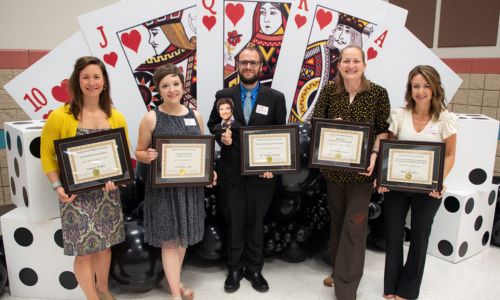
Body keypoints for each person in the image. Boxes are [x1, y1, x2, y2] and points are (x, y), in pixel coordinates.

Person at [41, 56, 128, 300]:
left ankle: (103, 289)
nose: (92, 82)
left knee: (105, 246)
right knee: (85, 253)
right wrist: (58, 186)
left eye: (96, 77)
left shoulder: (116, 116)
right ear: (77, 81)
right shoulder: (60, 116)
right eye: (86, 77)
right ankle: (92, 297)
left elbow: (122, 155)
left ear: (104, 82)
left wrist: (117, 179)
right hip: (74, 196)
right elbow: (47, 156)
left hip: (107, 194)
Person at [312, 45, 391, 300]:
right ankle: (337, 271)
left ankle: (347, 288)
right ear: (339, 65)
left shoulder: (378, 93)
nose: (351, 65)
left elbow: (383, 129)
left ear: (364, 65)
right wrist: (327, 126)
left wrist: (375, 155)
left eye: (356, 61)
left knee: (354, 225)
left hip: (361, 173)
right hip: (333, 171)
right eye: (346, 61)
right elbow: (315, 125)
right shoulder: (328, 92)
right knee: (337, 221)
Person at [207, 46, 286, 293]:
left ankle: (254, 269)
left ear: (261, 67)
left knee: (255, 222)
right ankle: (234, 269)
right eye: (244, 63)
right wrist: (222, 136)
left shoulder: (275, 97)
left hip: (262, 175)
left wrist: (272, 166)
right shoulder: (224, 94)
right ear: (237, 66)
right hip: (231, 172)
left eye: (253, 62)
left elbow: (279, 135)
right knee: (235, 221)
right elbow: (212, 124)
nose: (248, 67)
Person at [379, 65, 457, 300]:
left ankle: (408, 290)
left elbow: (451, 155)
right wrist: (383, 179)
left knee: (420, 238)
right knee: (393, 235)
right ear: (410, 89)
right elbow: (389, 150)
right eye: (416, 86)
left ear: (434, 88)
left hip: (428, 190)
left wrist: (438, 182)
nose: (420, 91)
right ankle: (391, 287)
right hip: (397, 188)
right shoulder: (399, 115)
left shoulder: (445, 119)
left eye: (425, 86)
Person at [135, 63, 210, 300]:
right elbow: (138, 151)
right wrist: (146, 156)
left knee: (183, 238)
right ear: (158, 89)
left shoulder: (195, 115)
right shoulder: (151, 117)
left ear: (182, 85)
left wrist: (210, 171)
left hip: (189, 188)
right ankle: (176, 295)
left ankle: (173, 283)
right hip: (163, 190)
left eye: (175, 84)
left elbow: (203, 151)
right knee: (169, 240)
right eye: (165, 85)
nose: (171, 89)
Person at [290, 13, 371, 123]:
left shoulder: (374, 93)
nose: (341, 35)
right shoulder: (316, 53)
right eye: (339, 29)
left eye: (347, 31)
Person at [134, 10, 197, 110]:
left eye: (154, 34)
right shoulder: (144, 69)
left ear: (171, 32)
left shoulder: (194, 57)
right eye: (165, 86)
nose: (151, 41)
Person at [223, 2, 290, 87]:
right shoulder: (252, 44)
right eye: (262, 12)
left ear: (283, 15)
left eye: (272, 13)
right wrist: (230, 65)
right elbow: (235, 81)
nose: (266, 19)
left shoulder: (288, 48)